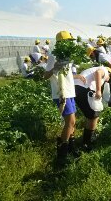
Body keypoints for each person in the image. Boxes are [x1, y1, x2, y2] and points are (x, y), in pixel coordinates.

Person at [43, 31, 78, 164]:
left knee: (73, 122)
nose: (71, 43)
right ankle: (62, 153)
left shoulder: (68, 55)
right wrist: (54, 69)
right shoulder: (53, 56)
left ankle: (71, 148)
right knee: (70, 122)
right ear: (61, 43)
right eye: (68, 41)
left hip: (70, 91)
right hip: (61, 93)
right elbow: (45, 76)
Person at [73, 65, 111, 152]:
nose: (108, 81)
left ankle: (87, 140)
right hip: (83, 88)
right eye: (109, 79)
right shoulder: (105, 70)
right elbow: (98, 73)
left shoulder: (93, 69)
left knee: (92, 115)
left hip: (77, 88)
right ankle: (86, 143)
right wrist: (98, 90)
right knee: (94, 115)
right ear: (110, 75)